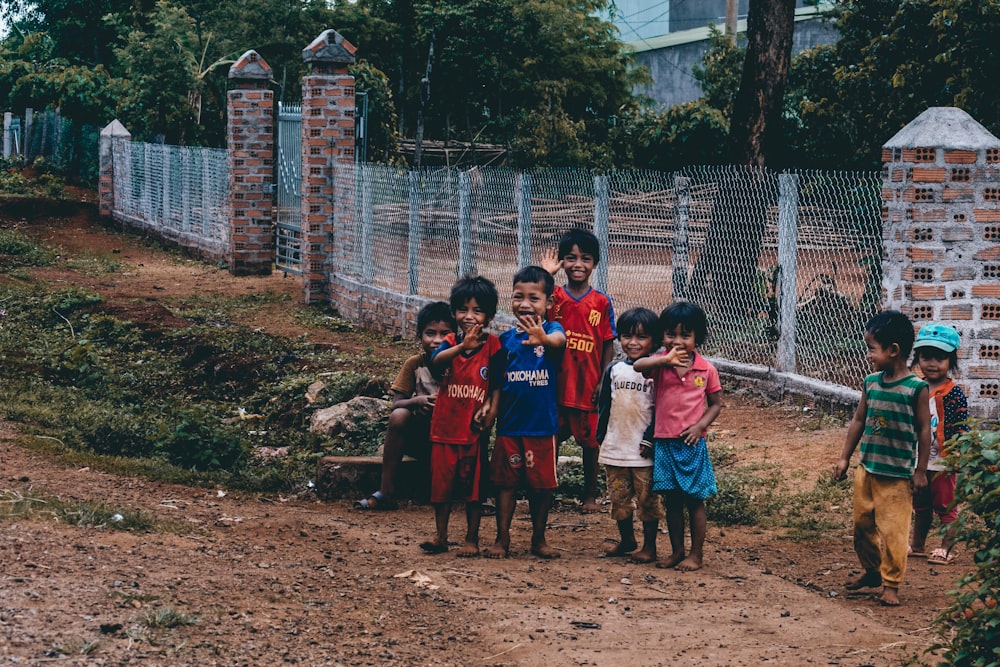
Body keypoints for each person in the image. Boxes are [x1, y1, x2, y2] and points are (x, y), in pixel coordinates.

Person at [834, 310, 931, 607]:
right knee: (862, 525)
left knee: (893, 532)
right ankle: (872, 571)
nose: (867, 355)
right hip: (868, 468)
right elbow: (858, 421)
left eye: (871, 349)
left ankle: (891, 583)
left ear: (893, 351)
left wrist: (920, 471)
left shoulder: (916, 389)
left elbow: (925, 430)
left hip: (898, 475)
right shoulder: (871, 382)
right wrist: (844, 458)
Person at [485, 266, 567, 559]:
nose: (524, 304)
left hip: (542, 428)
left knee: (541, 487)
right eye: (518, 296)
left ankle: (539, 539)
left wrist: (543, 339)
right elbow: (494, 382)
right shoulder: (504, 340)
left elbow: (560, 341)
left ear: (548, 304)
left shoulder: (553, 331)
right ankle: (501, 538)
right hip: (510, 426)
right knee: (505, 485)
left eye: (534, 298)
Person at [634, 301, 722, 572]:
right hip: (664, 443)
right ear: (663, 335)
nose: (678, 341)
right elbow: (638, 365)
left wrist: (700, 427)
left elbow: (716, 404)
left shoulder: (706, 369)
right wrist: (664, 358)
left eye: (686, 335)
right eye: (671, 334)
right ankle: (676, 551)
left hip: (691, 444)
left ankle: (696, 554)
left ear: (698, 337)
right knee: (671, 500)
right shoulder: (659, 365)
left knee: (695, 500)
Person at [421, 276, 505, 557]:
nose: (469, 317)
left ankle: (472, 538)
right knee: (440, 486)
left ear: (490, 316)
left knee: (474, 489)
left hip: (473, 430)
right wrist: (463, 347)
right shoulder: (448, 342)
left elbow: (496, 384)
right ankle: (441, 535)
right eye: (463, 310)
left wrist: (491, 409)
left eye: (477, 311)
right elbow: (436, 361)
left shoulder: (493, 346)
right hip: (444, 428)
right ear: (454, 312)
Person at [541, 229, 616, 513]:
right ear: (562, 262)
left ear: (594, 263)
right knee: (551, 437)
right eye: (570, 258)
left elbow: (607, 342)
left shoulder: (601, 302)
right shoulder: (553, 296)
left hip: (587, 385)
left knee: (590, 443)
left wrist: (603, 379)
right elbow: (532, 305)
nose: (577, 264)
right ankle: (547, 491)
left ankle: (590, 495)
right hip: (555, 384)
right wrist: (547, 275)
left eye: (585, 258)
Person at [597, 307, 679, 564]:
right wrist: (601, 436)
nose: (633, 343)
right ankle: (627, 540)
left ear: (654, 341)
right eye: (626, 336)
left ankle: (649, 547)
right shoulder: (614, 369)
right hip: (616, 446)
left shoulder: (658, 370)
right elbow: (605, 405)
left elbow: (662, 408)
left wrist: (650, 437)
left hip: (643, 450)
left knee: (647, 500)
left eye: (641, 337)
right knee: (619, 498)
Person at [355, 301, 454, 510]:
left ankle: (481, 493)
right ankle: (386, 490)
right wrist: (417, 402)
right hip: (422, 437)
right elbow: (396, 404)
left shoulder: (461, 365)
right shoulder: (415, 364)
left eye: (445, 334)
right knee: (399, 415)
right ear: (420, 337)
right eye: (430, 333)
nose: (437, 340)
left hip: (453, 438)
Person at [909, 323, 968, 565]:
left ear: (950, 361)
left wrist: (956, 458)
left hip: (943, 461)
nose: (932, 363)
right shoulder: (915, 388)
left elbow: (960, 429)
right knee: (920, 504)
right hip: (918, 459)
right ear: (918, 358)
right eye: (926, 356)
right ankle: (918, 545)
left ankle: (947, 549)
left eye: (940, 357)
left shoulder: (954, 394)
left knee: (945, 506)